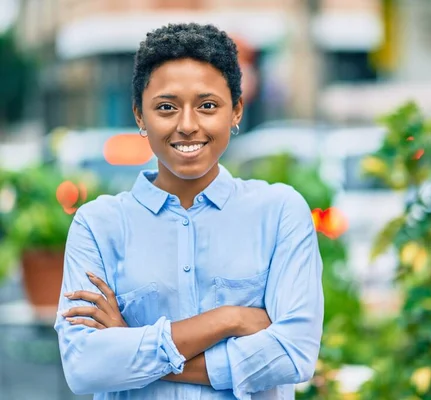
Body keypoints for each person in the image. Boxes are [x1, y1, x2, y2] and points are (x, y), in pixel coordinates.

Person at [54, 23, 324, 400]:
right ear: (139, 116)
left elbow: (294, 355)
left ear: (236, 111)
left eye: (207, 106)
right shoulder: (98, 226)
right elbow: (84, 367)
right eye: (166, 107)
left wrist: (132, 348)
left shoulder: (279, 213)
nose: (187, 125)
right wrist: (227, 320)